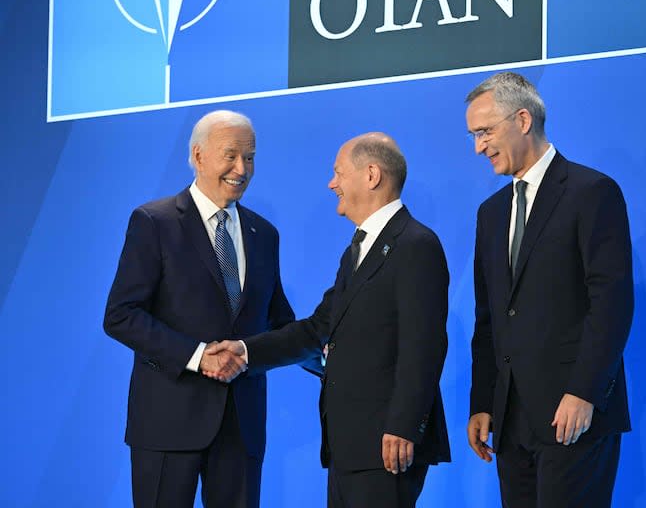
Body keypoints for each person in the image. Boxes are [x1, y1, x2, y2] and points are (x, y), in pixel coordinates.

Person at [206, 132, 451, 508]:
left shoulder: (415, 244)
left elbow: (425, 345)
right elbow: (316, 328)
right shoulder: (358, 249)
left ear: (371, 175)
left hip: (387, 444)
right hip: (350, 445)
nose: (331, 183)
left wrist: (403, 426)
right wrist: (243, 350)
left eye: (338, 173)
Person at [103, 110, 296, 508]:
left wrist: (328, 351)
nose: (242, 168)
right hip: (167, 422)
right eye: (231, 155)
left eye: (251, 157)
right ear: (198, 154)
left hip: (241, 425)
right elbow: (121, 315)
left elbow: (279, 321)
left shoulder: (264, 234)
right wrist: (197, 357)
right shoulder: (154, 222)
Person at [465, 72, 634, 507]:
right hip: (510, 417)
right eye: (474, 135)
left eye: (485, 132)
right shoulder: (490, 213)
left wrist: (584, 392)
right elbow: (490, 318)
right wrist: (483, 402)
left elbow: (611, 303)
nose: (478, 147)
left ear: (522, 119)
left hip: (573, 413)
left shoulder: (591, 192)